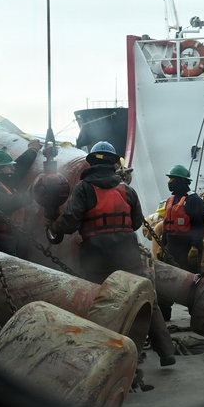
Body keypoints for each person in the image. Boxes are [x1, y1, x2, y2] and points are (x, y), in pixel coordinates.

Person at [49, 141, 176, 367]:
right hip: (127, 251)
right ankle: (166, 352)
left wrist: (54, 228)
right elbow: (137, 222)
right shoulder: (127, 190)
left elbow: (69, 222)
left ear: (92, 162)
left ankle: (107, 355)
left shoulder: (84, 189)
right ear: (112, 164)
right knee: (144, 297)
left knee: (99, 300)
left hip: (96, 254)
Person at [0, 139, 41, 257]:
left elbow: (21, 166)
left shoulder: (3, 182)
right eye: (10, 166)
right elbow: (4, 203)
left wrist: (33, 150)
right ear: (1, 169)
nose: (13, 169)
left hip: (11, 238)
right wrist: (29, 195)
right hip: (0, 242)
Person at [160, 164, 204, 282]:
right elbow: (166, 227)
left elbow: (199, 226)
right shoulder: (171, 200)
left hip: (188, 245)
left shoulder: (194, 201)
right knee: (169, 277)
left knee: (191, 278)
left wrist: (195, 247)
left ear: (181, 181)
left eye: (172, 179)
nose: (169, 182)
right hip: (172, 244)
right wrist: (162, 245)